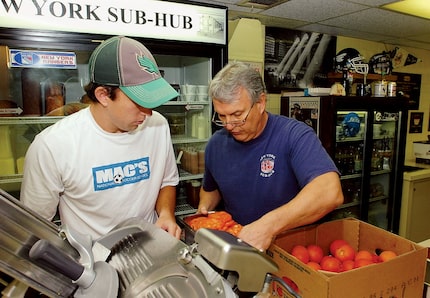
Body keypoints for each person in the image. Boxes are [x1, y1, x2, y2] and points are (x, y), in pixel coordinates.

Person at [21, 36, 182, 240]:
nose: (148, 112)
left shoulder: (157, 126)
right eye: (139, 102)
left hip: (149, 250)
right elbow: (35, 225)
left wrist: (166, 213)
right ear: (103, 95)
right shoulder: (53, 146)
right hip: (91, 261)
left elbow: (166, 180)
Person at [198, 61, 344, 251]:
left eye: (237, 114)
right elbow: (211, 188)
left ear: (260, 103)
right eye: (222, 116)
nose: (229, 125)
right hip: (239, 248)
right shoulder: (216, 144)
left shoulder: (294, 135)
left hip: (291, 252)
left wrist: (267, 226)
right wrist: (204, 209)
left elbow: (329, 192)